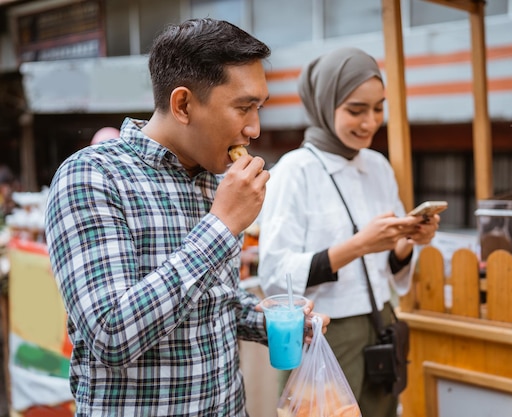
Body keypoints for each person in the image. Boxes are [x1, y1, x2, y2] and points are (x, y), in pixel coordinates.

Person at [44, 18, 328, 417]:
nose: (254, 128)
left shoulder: (217, 181)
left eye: (258, 108)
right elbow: (111, 336)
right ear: (183, 104)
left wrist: (268, 320)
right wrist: (222, 225)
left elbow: (213, 302)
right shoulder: (91, 176)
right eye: (244, 107)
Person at [257, 47, 440, 417]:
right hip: (324, 333)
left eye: (378, 108)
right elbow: (276, 276)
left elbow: (388, 267)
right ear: (325, 105)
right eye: (356, 110)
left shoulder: (378, 166)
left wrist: (406, 242)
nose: (370, 122)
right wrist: (358, 246)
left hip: (382, 323)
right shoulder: (295, 170)